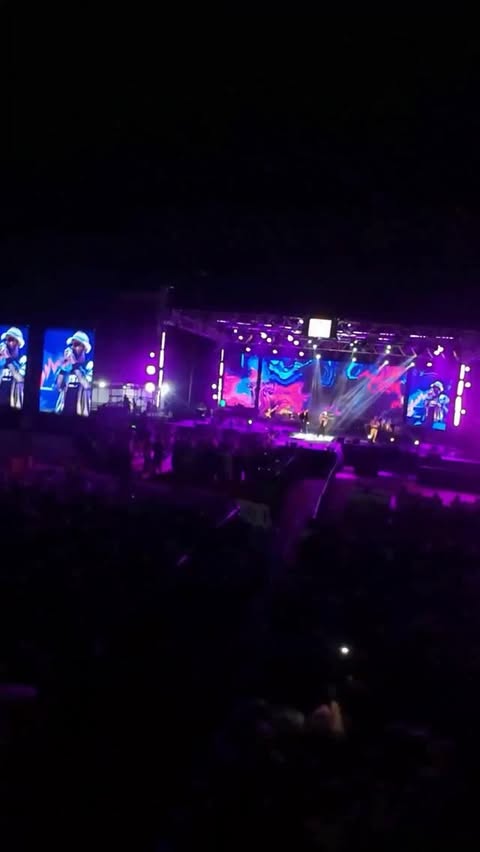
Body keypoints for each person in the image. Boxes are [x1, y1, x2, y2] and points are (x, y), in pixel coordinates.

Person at [54, 331, 94, 416]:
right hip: (63, 413)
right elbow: (58, 387)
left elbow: (87, 385)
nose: (72, 347)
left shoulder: (89, 365)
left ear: (84, 347)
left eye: (76, 344)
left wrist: (74, 364)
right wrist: (64, 367)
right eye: (71, 345)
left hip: (81, 414)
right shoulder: (67, 366)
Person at [0, 327, 27, 409]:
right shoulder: (2, 361)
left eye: (10, 340)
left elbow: (20, 378)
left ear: (18, 343)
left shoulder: (23, 360)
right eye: (6, 340)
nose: (7, 343)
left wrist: (8, 359)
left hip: (14, 407)